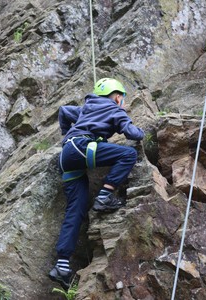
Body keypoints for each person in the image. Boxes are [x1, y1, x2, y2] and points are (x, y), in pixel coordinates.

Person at [49, 78, 145, 289]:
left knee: (77, 208)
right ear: (118, 97)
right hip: (83, 147)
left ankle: (62, 265)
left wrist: (67, 134)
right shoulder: (115, 109)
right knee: (128, 154)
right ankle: (105, 196)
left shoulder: (86, 108)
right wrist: (143, 133)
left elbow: (64, 111)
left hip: (66, 156)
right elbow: (131, 133)